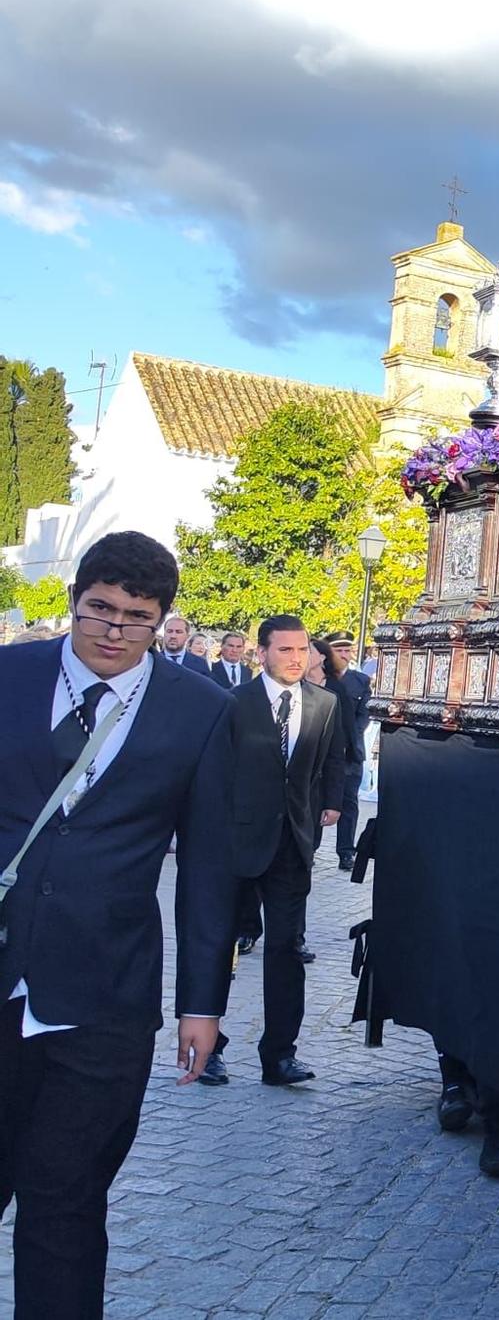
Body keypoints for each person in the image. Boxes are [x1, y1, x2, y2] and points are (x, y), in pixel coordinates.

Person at [0, 531, 237, 1320]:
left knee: (65, 1206)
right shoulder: (7, 678)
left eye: (135, 617)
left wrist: (201, 1004)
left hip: (105, 998)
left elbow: (207, 866)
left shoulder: (201, 710)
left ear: (163, 620)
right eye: (98, 610)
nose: (112, 630)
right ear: (74, 600)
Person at [220, 615, 344, 1089]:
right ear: (262, 652)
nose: (296, 659)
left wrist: (329, 807)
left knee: (286, 950)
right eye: (285, 650)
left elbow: (333, 760)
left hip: (293, 845)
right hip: (238, 845)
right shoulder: (232, 703)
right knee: (222, 949)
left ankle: (280, 1056)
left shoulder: (324, 703)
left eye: (302, 650)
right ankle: (213, 1048)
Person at [327, 633, 370, 872]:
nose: (344, 655)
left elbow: (363, 715)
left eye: (347, 651)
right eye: (339, 651)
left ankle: (345, 852)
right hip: (322, 750)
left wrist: (347, 740)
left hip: (350, 752)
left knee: (348, 803)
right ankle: (309, 849)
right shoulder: (320, 678)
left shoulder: (361, 681)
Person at [156, 611, 210, 676]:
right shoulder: (152, 661)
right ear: (164, 634)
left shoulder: (200, 664)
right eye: (169, 631)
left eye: (178, 632)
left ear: (187, 636)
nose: (173, 636)